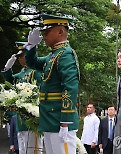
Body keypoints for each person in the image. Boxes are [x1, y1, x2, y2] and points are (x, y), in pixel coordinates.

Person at [24, 14, 79, 154]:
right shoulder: (53, 55)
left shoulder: (65, 54)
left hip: (59, 119)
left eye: (47, 31)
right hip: (50, 119)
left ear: (60, 32)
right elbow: (32, 63)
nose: (44, 36)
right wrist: (31, 46)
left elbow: (70, 87)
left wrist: (65, 121)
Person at [1, 42, 42, 154]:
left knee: (34, 150)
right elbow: (10, 82)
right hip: (21, 121)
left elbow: (40, 92)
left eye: (21, 56)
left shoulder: (35, 72)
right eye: (18, 57)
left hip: (32, 119)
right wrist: (7, 68)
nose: (19, 59)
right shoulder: (22, 73)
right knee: (23, 150)